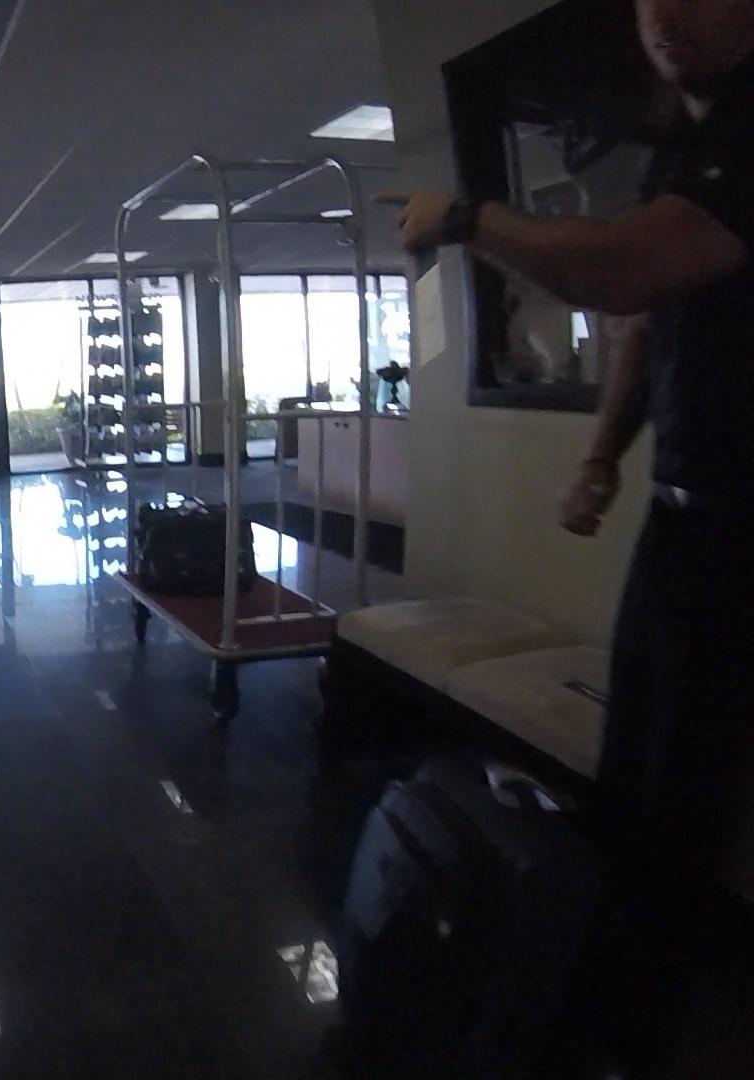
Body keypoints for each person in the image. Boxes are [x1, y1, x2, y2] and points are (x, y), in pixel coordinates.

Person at [384, 0, 754, 1065]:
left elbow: (615, 270)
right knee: (637, 792)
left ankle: (642, 1034)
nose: (664, 14)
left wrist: (463, 220)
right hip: (683, 519)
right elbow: (645, 316)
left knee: (678, 818)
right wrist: (600, 456)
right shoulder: (685, 150)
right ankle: (612, 1015)